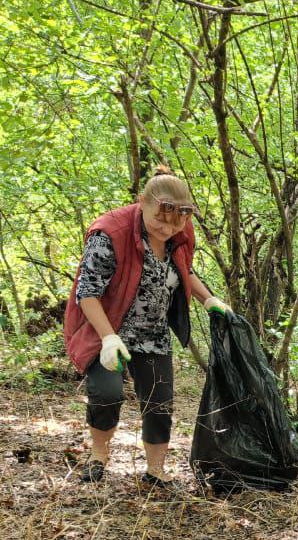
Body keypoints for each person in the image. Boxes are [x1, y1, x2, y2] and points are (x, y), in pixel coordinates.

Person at [63, 166, 232, 490]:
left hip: (153, 334)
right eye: (160, 220)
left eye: (177, 222)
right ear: (142, 202)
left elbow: (184, 270)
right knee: (107, 394)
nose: (168, 229)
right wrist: (109, 338)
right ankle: (98, 457)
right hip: (105, 331)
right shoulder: (109, 232)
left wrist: (210, 300)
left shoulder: (181, 232)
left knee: (159, 402)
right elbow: (87, 292)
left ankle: (155, 471)